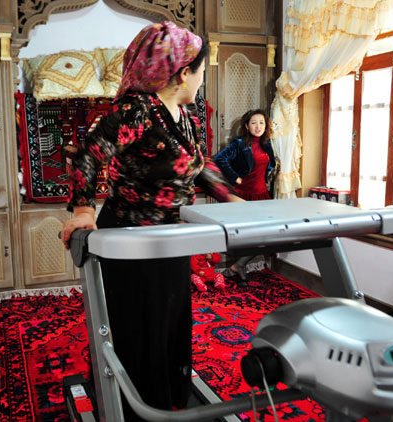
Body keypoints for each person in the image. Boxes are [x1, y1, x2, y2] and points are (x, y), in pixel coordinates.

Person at [60, 21, 242, 421]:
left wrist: (234, 199)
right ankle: (132, 406)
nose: (202, 78)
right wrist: (84, 210)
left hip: (170, 240)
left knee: (168, 319)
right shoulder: (138, 111)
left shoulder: (183, 115)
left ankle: (164, 396)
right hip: (131, 242)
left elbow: (197, 165)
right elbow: (91, 153)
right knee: (138, 326)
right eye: (201, 71)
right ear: (182, 72)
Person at [214, 109, 277, 286]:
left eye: (262, 123)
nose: (258, 126)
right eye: (254, 123)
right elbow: (219, 159)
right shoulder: (239, 144)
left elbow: (270, 164)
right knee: (246, 235)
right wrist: (235, 177)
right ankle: (237, 267)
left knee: (266, 234)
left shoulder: (267, 143)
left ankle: (237, 266)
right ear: (247, 126)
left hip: (262, 195)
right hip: (244, 195)